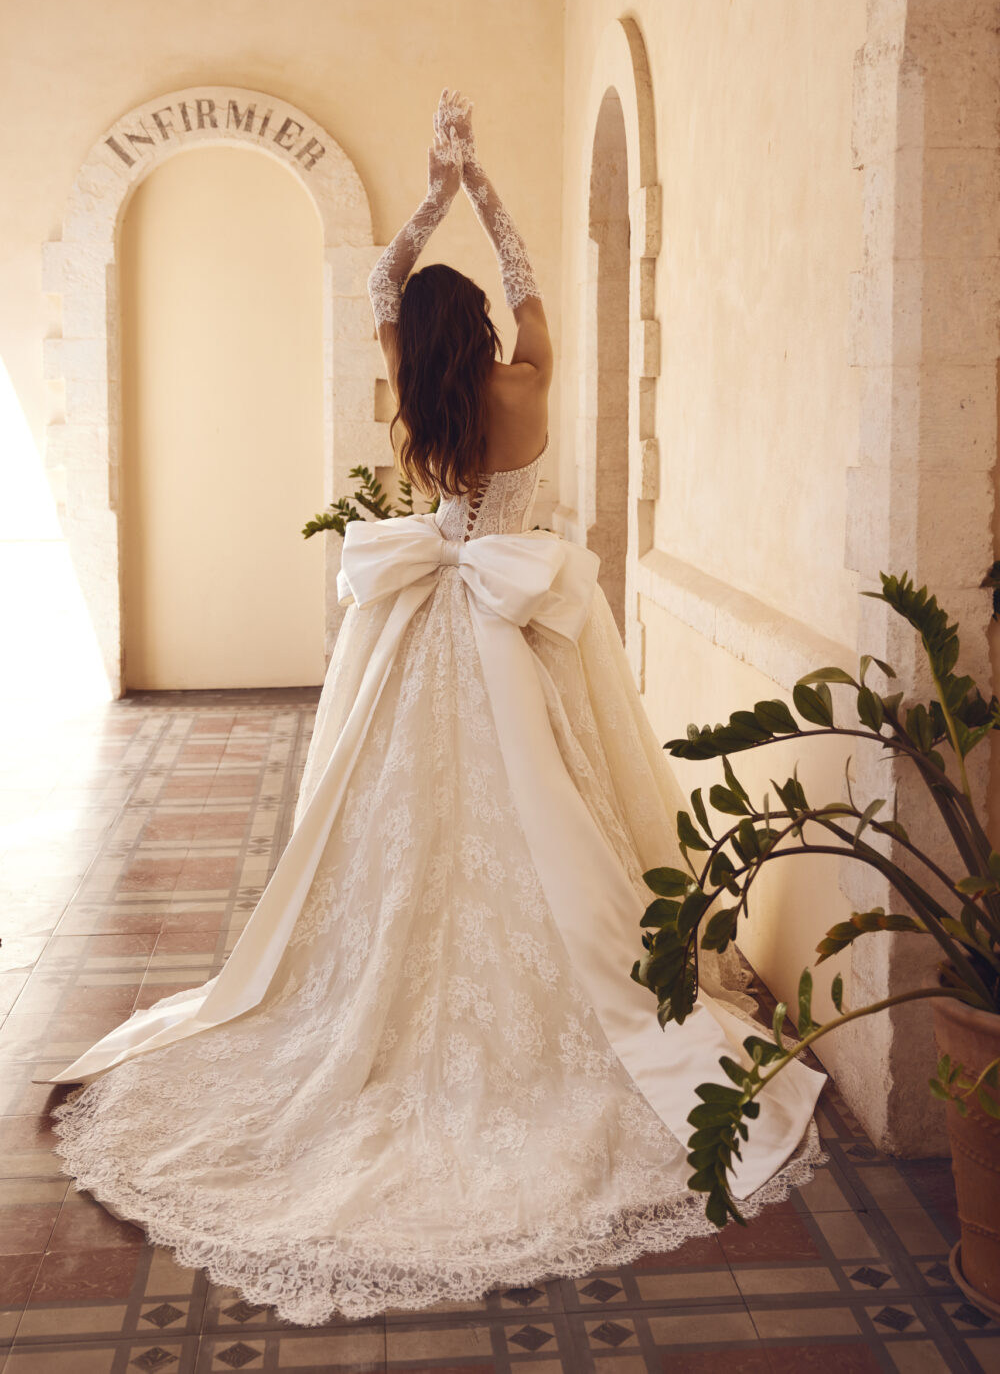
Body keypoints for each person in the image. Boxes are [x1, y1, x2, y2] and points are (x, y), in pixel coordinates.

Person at [43, 89, 825, 1328]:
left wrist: (426, 193)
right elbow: (526, 292)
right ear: (484, 329)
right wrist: (483, 187)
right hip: (510, 634)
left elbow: (384, 284)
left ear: (415, 336)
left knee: (388, 818)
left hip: (422, 635)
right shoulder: (525, 386)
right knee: (549, 805)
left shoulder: (419, 391)